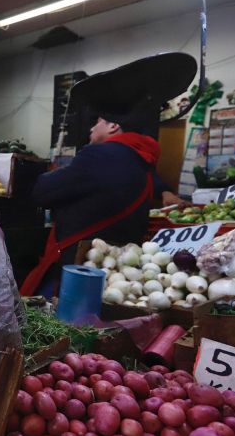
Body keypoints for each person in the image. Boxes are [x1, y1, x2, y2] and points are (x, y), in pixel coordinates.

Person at [21, 53, 197, 296]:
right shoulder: (140, 158)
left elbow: (41, 192)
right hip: (115, 272)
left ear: (114, 126)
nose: (92, 128)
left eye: (99, 122)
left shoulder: (100, 156)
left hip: (78, 271)